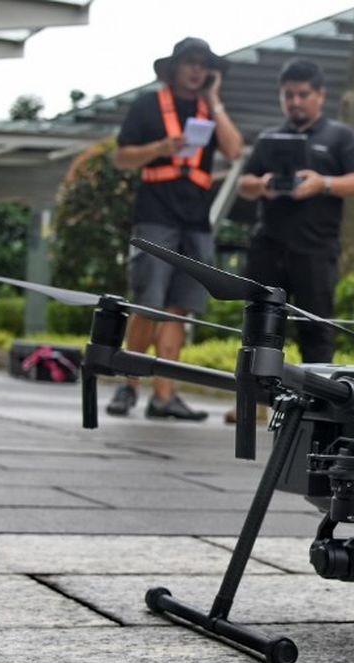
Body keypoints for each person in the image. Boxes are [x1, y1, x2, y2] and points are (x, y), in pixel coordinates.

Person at [106, 37, 244, 421]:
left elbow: (235, 151)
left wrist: (215, 101)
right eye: (190, 62)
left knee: (180, 308)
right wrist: (159, 148)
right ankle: (128, 385)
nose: (197, 70)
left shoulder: (208, 110)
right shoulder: (148, 105)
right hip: (156, 216)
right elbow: (120, 157)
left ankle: (164, 396)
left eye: (203, 64)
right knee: (148, 303)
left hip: (195, 221)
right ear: (175, 68)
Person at [237, 58, 354, 364]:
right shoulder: (268, 138)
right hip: (268, 248)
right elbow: (243, 184)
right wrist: (264, 185)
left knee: (316, 331)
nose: (295, 102)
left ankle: (316, 393)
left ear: (320, 95)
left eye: (302, 94)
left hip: (316, 251)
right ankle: (255, 393)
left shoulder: (340, 136)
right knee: (259, 328)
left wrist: (322, 183)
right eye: (288, 95)